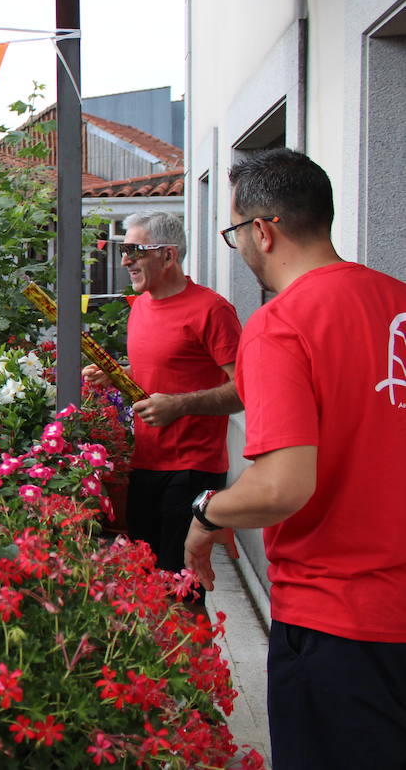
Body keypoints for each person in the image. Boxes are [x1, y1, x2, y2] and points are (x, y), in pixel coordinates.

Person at [184, 148, 406, 768]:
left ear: (263, 230)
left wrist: (207, 515)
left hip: (339, 621)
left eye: (235, 233)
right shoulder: (399, 301)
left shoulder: (281, 324)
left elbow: (282, 487)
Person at [83, 211, 243, 604]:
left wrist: (180, 406)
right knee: (143, 580)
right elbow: (164, 368)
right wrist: (119, 373)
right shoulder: (140, 307)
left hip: (193, 467)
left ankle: (191, 664)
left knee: (179, 588)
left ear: (168, 256)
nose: (124, 260)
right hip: (146, 462)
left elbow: (245, 390)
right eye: (123, 250)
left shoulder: (212, 311)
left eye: (135, 250)